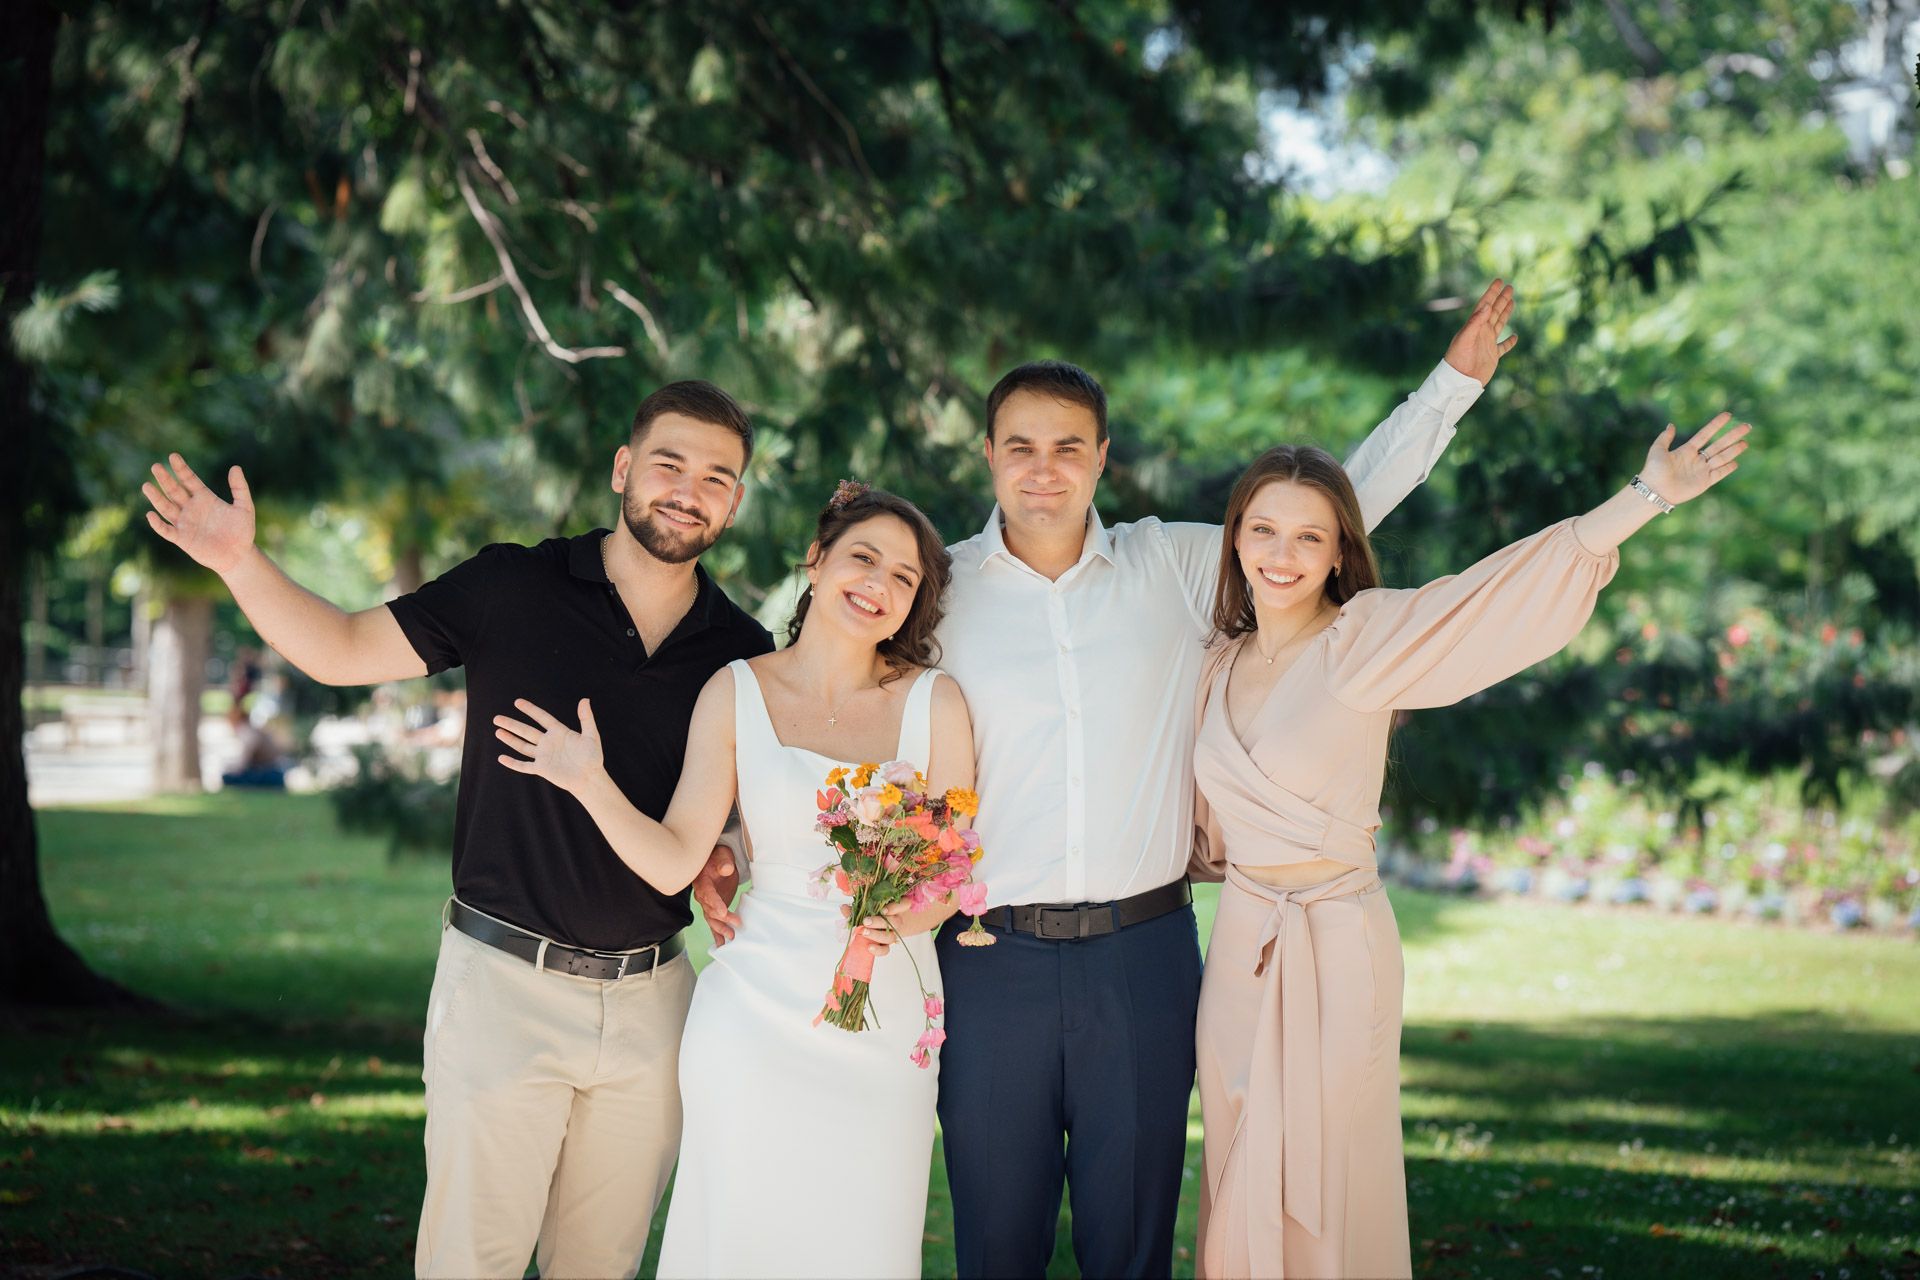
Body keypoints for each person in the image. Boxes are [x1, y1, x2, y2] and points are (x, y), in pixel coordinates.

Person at [694, 280, 1519, 1276]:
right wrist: (740, 837)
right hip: (989, 959)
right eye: (1021, 447)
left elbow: (1326, 508)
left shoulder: (1173, 569)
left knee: (1131, 1248)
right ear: (990, 455)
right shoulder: (935, 592)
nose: (1044, 470)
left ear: (1101, 459)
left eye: (1068, 447)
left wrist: (1452, 386)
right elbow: (849, 721)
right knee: (999, 1243)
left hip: (1145, 958)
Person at [140, 381, 771, 1280]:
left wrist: (727, 854)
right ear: (623, 469)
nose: (688, 488)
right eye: (669, 463)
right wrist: (241, 563)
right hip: (505, 987)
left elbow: (745, 813)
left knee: (603, 1265)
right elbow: (345, 651)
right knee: (469, 1262)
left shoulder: (741, 649)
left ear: (734, 500)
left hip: (654, 1003)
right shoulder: (513, 585)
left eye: (716, 475)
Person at [1189, 414, 1751, 1278]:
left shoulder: (1362, 637)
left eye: (1310, 536)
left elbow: (1491, 597)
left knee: (1330, 1167)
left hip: (1336, 940)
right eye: (1263, 529)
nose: (1283, 553)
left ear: (1341, 552)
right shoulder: (1215, 664)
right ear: (1235, 541)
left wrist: (1643, 499)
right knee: (1234, 1152)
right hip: (1240, 945)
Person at [492, 484, 976, 1279]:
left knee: (863, 1239)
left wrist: (906, 917)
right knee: (736, 1237)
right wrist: (588, 779)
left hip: (884, 1017)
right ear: (817, 562)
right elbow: (678, 855)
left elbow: (953, 870)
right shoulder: (736, 690)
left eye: (904, 577)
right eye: (863, 557)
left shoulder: (935, 701)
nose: (879, 584)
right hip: (752, 1017)